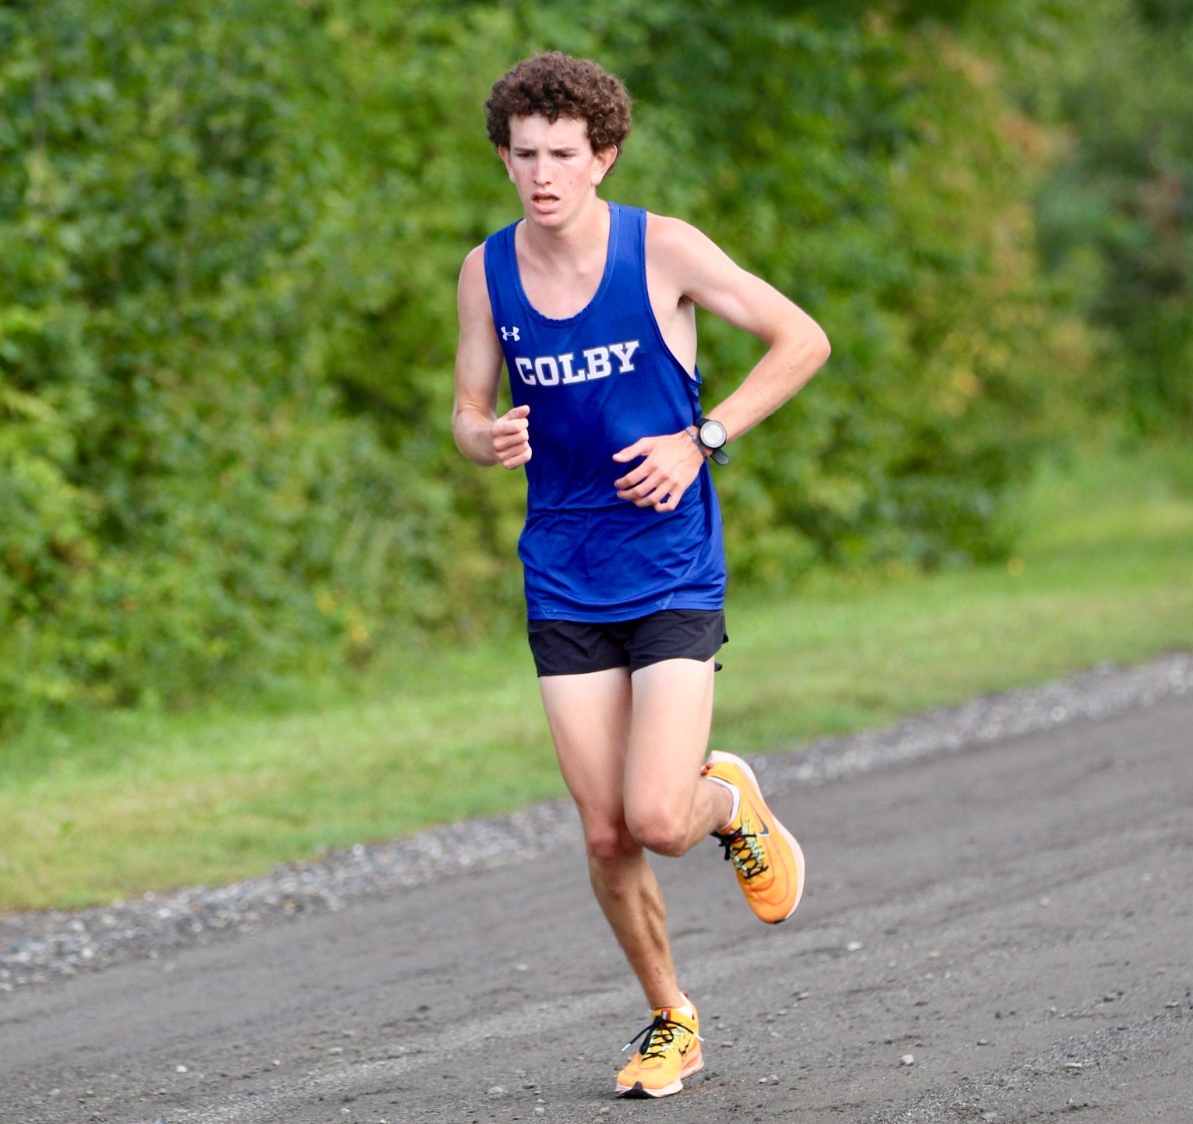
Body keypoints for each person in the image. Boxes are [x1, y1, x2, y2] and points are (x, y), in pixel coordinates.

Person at [450, 51, 830, 1100]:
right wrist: (483, 441)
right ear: (503, 156)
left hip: (666, 564)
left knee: (661, 816)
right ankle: (671, 1017)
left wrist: (698, 437)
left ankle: (728, 804)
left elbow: (801, 339)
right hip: (561, 570)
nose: (541, 174)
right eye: (523, 154)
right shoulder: (484, 271)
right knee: (606, 826)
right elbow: (465, 408)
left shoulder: (660, 250)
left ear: (601, 155)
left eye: (562, 154)